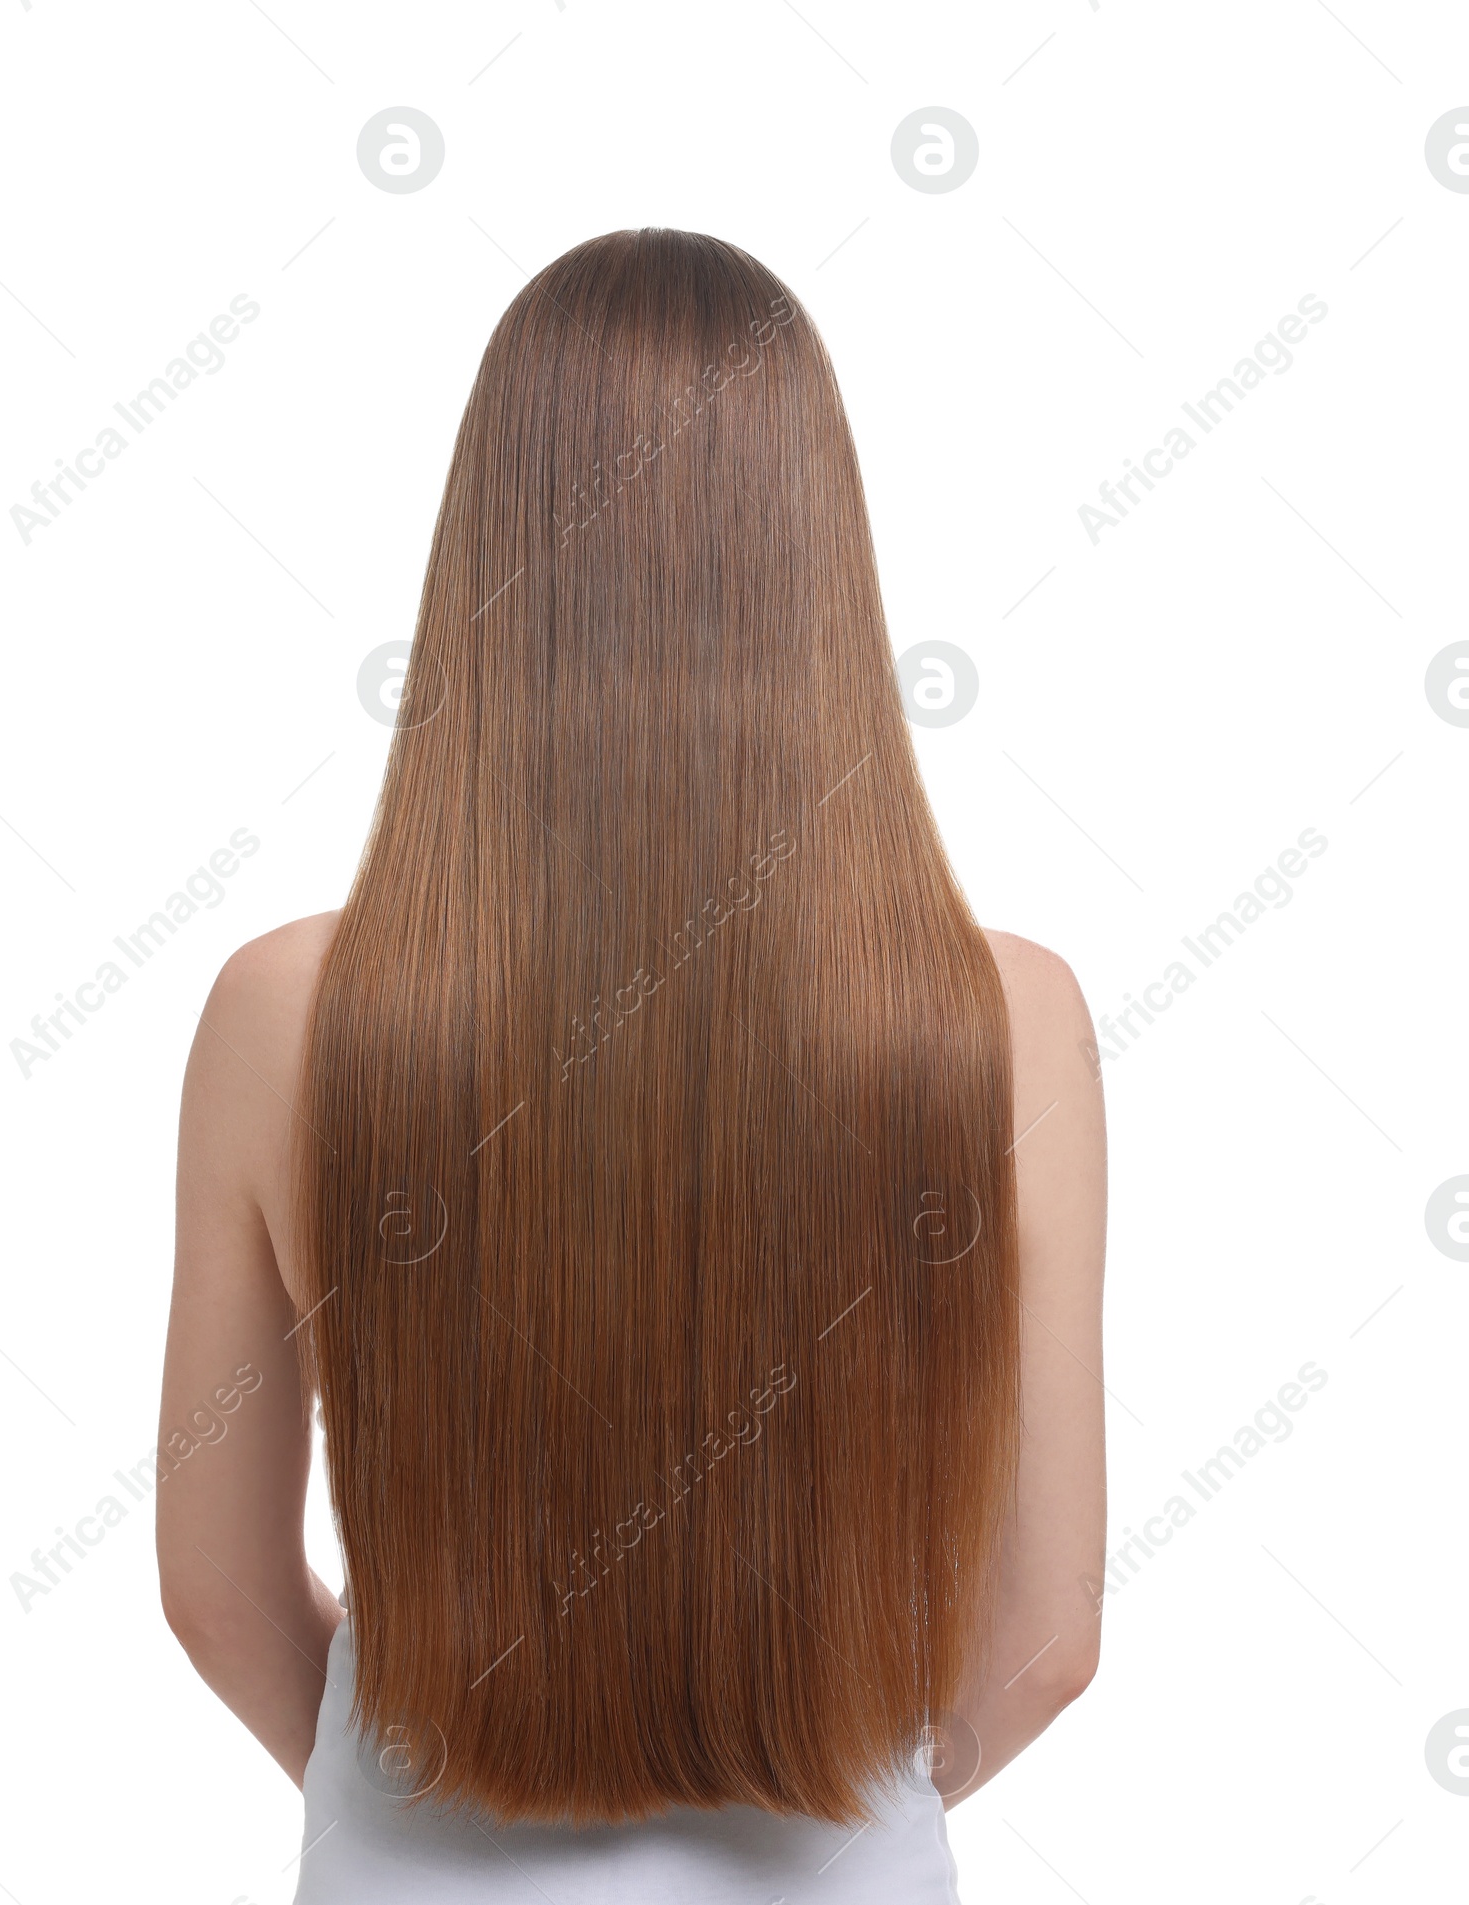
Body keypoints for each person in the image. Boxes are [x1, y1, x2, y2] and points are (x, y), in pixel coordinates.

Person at [156, 228, 1107, 1903]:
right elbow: (1045, 1643)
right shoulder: (1001, 1021)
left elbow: (217, 1591)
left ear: (489, 547)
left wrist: (405, 1786)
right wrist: (863, 1794)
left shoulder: (286, 1015)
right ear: (822, 564)